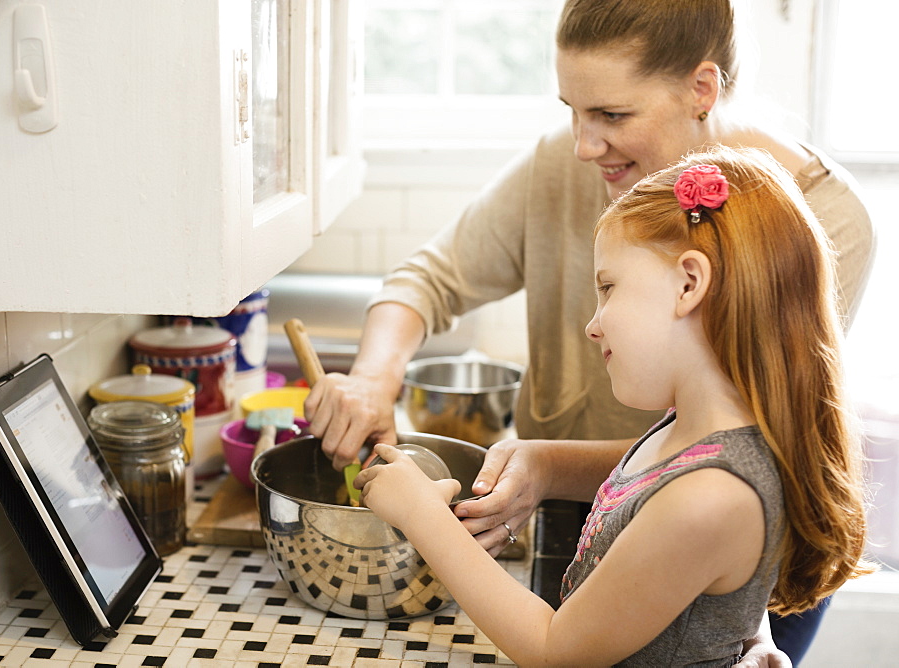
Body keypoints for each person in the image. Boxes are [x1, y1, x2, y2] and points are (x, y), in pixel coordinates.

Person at [302, 0, 877, 661]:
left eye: (611, 114)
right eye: (571, 110)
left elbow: (751, 456)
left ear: (702, 88)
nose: (582, 145)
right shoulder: (573, 162)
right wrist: (375, 380)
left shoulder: (812, 226)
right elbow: (427, 279)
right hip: (633, 516)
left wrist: (746, 625)